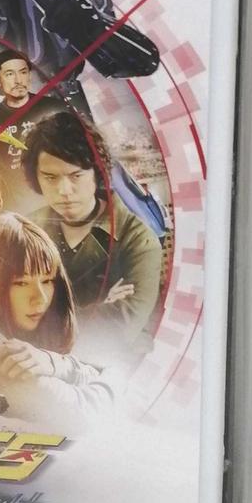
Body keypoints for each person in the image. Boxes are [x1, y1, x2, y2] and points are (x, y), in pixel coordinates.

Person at [0, 213, 113, 431]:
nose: (40, 298)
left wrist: (53, 363)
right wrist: (116, 377)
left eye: (47, 280)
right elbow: (87, 416)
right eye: (21, 283)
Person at [22, 112, 162, 348]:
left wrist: (41, 317)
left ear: (97, 173)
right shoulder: (25, 230)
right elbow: (4, 317)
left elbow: (117, 331)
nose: (64, 190)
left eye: (76, 176)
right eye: (50, 177)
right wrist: (100, 307)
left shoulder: (138, 239)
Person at [0, 51, 65, 209]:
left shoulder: (54, 107)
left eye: (23, 72)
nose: (18, 80)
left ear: (29, 76)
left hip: (61, 199)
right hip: (21, 208)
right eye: (9, 74)